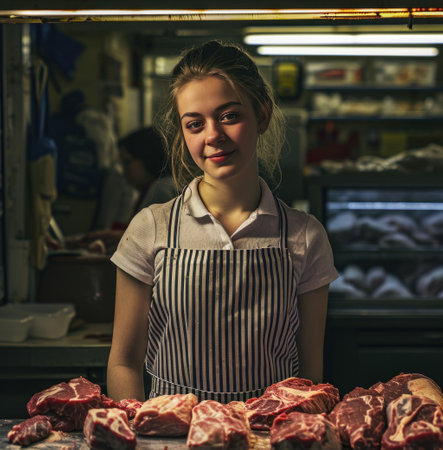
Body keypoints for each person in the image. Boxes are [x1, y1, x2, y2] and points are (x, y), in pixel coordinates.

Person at [107, 40, 338, 403]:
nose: (212, 136)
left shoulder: (304, 236)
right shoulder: (150, 228)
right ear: (183, 135)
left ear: (261, 115)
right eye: (195, 124)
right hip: (173, 438)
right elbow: (124, 362)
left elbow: (309, 376)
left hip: (267, 437)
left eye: (229, 115)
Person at [63, 126, 177, 253]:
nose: (124, 171)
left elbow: (144, 244)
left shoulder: (161, 190)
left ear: (148, 159)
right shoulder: (157, 188)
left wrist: (107, 238)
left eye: (127, 162)